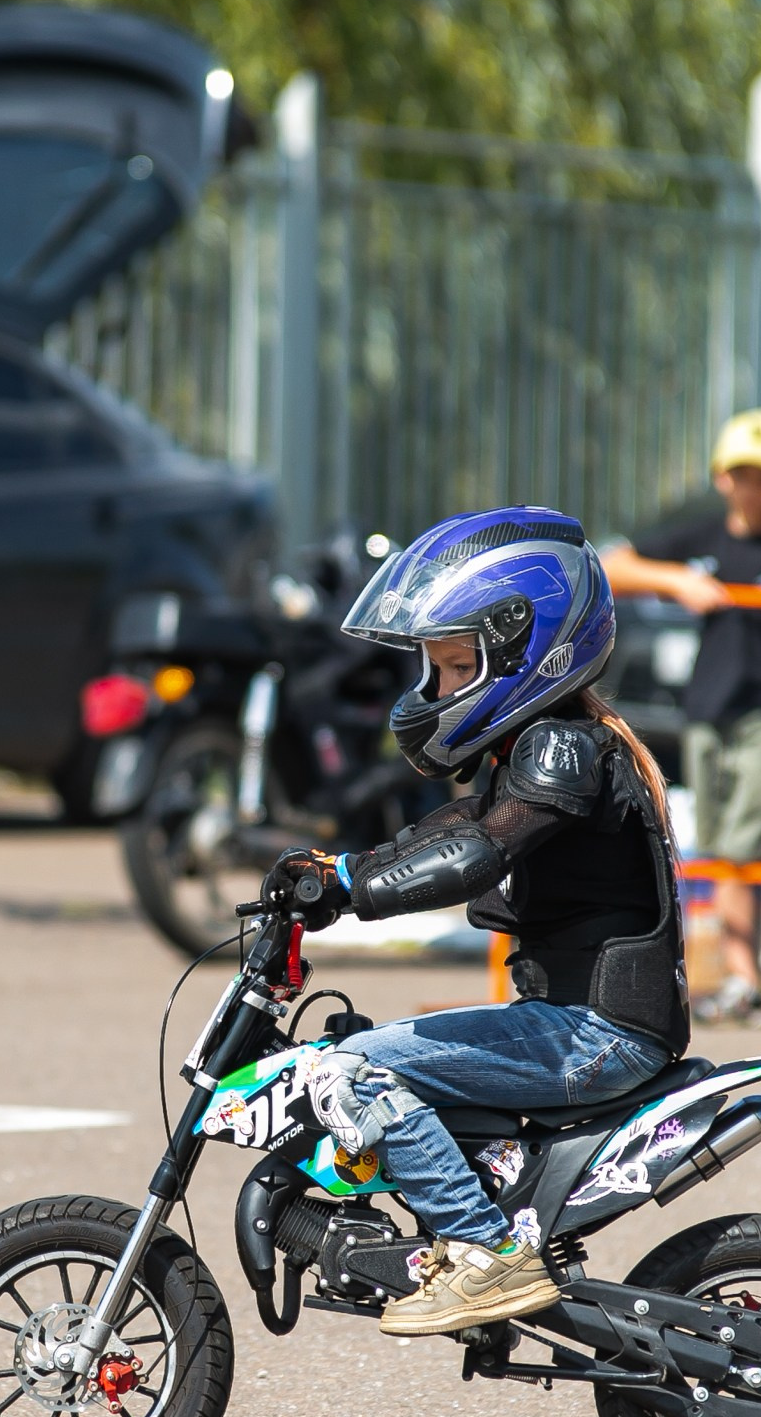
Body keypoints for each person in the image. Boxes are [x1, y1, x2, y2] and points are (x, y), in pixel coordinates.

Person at [281, 506, 685, 1339]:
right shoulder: (533, 750)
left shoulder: (563, 748)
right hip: (573, 1021)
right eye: (433, 669)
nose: (435, 690)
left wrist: (352, 898)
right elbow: (447, 830)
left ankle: (485, 1252)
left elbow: (476, 856)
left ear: (524, 652)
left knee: (358, 1072)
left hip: (597, 1031)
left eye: (457, 665)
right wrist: (335, 872)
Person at [605, 408, 761, 1022]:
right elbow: (614, 564)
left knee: (738, 845)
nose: (754, 491)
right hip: (711, 704)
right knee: (728, 839)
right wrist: (675, 580)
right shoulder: (703, 539)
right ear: (723, 478)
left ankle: (746, 981)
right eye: (743, 477)